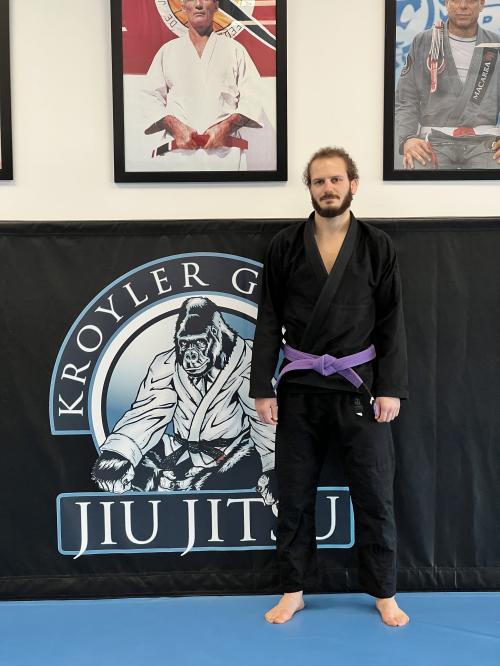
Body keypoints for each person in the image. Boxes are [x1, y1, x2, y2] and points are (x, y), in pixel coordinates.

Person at [249, 147, 410, 626]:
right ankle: (293, 589)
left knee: (375, 493)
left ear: (353, 185)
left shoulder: (377, 246)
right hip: (299, 388)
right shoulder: (284, 246)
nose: (328, 188)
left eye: (336, 179)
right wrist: (263, 387)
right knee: (294, 495)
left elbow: (391, 321)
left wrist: (391, 387)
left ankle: (384, 592)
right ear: (310, 188)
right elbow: (268, 319)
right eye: (319, 181)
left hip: (359, 387)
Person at [142, 0, 263, 171]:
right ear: (183, 6)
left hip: (226, 156)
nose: (198, 4)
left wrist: (228, 126)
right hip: (178, 156)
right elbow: (149, 97)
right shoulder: (168, 51)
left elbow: (253, 97)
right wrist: (173, 125)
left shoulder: (235, 50)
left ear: (216, 5)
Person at [395, 0, 500, 169]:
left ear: (482, 4)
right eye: (456, 0)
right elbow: (406, 99)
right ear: (446, 2)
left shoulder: (496, 45)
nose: (463, 6)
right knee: (416, 168)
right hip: (433, 141)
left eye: (470, 0)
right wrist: (408, 138)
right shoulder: (424, 41)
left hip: (486, 142)